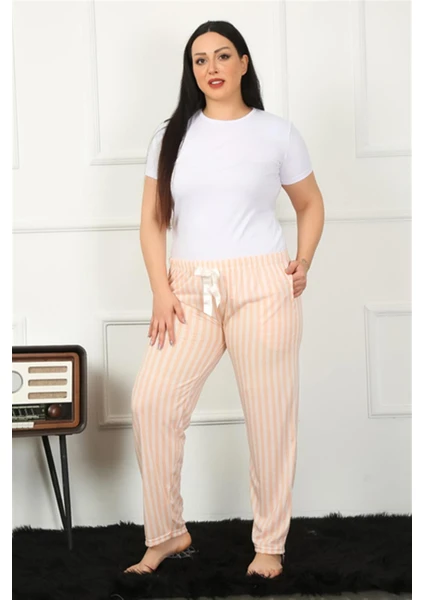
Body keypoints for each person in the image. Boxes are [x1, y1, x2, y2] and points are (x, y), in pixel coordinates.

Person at [125, 20, 325, 579]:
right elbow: (152, 221)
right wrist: (160, 290)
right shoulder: (171, 137)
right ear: (191, 71)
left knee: (269, 418)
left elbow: (310, 204)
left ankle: (270, 544)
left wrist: (304, 260)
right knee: (151, 403)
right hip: (188, 290)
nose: (211, 67)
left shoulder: (277, 133)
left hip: (263, 285)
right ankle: (167, 533)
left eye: (221, 55)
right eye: (199, 60)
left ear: (242, 63)